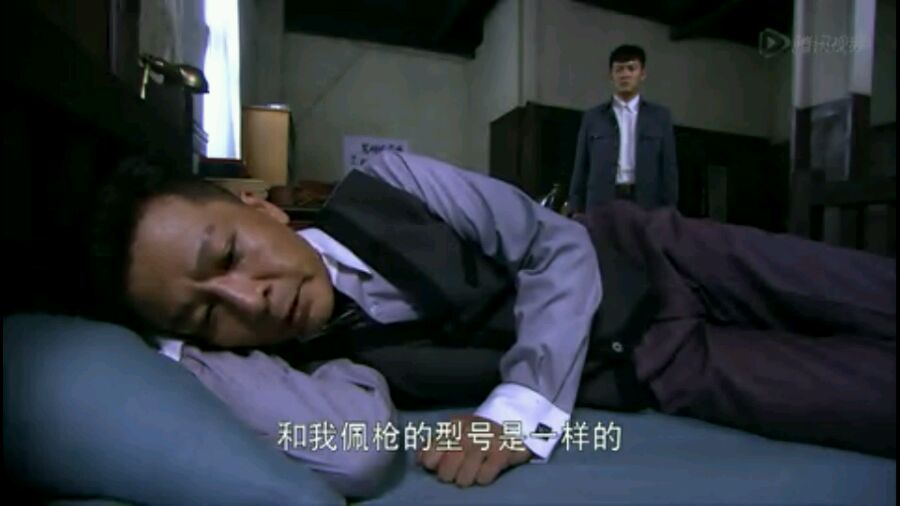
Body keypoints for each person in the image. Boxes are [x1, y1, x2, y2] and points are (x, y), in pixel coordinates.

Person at [88, 150, 895, 497]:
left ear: (260, 207)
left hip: (663, 253)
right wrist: (179, 358)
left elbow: (556, 245)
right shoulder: (324, 374)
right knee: (870, 400)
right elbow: (358, 452)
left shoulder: (390, 181)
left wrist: (516, 412)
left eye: (229, 253)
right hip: (657, 366)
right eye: (205, 313)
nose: (249, 300)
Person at [568, 44, 679, 214]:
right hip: (602, 201)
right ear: (611, 76)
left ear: (642, 74)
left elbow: (669, 169)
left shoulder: (659, 117)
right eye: (619, 69)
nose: (625, 74)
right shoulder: (593, 117)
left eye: (631, 68)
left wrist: (669, 211)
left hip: (646, 203)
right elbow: (581, 167)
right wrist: (576, 207)